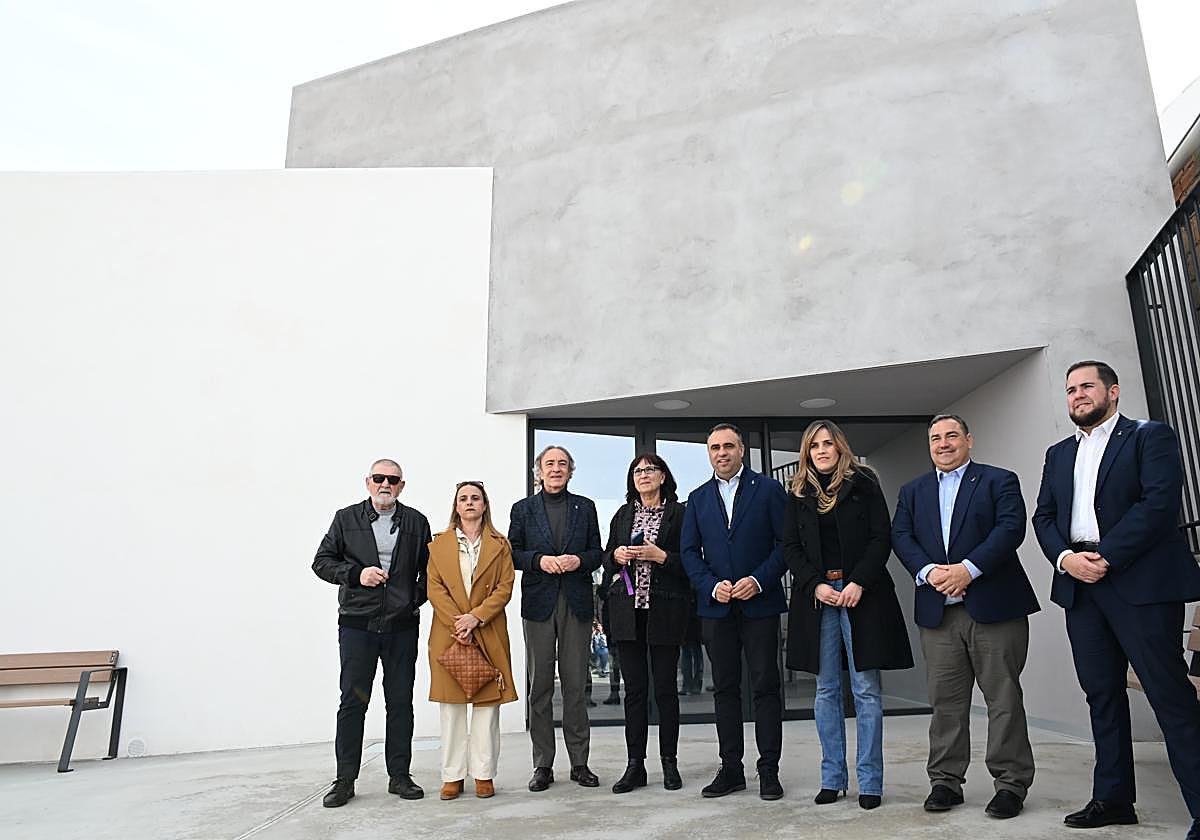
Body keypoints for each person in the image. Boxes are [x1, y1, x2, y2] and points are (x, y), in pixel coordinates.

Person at [1032, 361, 1200, 837]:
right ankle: (1113, 799)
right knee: (1101, 695)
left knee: (1171, 697)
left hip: (1139, 584)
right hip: (1080, 588)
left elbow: (1159, 503)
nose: (1078, 395)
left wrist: (1105, 556)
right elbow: (1043, 516)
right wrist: (1067, 559)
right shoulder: (1059, 453)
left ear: (1114, 391)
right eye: (1070, 390)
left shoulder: (1151, 437)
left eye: (1087, 386)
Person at [892, 415, 1040, 819]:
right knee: (946, 703)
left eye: (951, 435)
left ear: (969, 440)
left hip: (994, 608)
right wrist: (931, 573)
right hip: (939, 614)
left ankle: (1010, 784)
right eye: (935, 438)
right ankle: (945, 781)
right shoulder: (913, 491)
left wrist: (967, 570)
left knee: (1004, 699)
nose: (943, 444)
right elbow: (901, 537)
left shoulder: (999, 480)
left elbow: (1010, 529)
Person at [782, 420, 913, 810]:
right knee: (825, 691)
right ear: (807, 453)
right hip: (818, 598)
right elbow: (790, 547)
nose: (821, 450)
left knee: (866, 690)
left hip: (863, 595)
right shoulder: (797, 491)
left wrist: (858, 582)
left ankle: (870, 782)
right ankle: (832, 777)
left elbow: (881, 537)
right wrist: (814, 584)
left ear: (839, 447)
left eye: (827, 443)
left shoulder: (865, 482)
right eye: (814, 446)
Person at [312, 459, 430, 807]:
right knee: (353, 703)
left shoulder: (416, 522)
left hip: (401, 627)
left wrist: (412, 600)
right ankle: (344, 780)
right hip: (357, 626)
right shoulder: (346, 518)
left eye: (392, 480)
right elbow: (321, 562)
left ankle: (399, 776)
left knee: (400, 703)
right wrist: (356, 575)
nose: (385, 484)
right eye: (379, 478)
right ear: (368, 482)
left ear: (401, 486)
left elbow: (430, 572)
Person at [681, 423, 789, 801]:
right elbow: (689, 553)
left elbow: (785, 544)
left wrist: (758, 580)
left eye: (728, 446)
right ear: (709, 454)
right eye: (714, 448)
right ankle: (731, 770)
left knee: (765, 686)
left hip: (760, 603)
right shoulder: (697, 498)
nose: (722, 453)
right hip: (717, 607)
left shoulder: (770, 490)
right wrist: (711, 585)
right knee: (724, 689)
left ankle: (769, 770)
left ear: (742, 450)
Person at [509, 445, 603, 791]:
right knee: (540, 688)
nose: (556, 469)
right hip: (538, 604)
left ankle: (580, 763)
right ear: (540, 470)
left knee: (576, 686)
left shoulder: (586, 507)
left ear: (570, 471)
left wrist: (579, 561)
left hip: (576, 603)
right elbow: (512, 552)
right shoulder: (523, 509)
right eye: (550, 463)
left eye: (562, 464)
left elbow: (598, 552)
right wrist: (539, 560)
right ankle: (542, 765)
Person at [602, 453, 691, 794]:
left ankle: (670, 763)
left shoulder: (679, 514)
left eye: (650, 470)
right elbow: (606, 558)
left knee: (666, 690)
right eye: (638, 471)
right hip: (628, 613)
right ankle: (635, 765)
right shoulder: (623, 514)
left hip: (665, 611)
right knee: (635, 693)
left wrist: (662, 556)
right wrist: (616, 556)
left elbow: (693, 561)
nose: (644, 475)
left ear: (664, 476)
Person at [426, 481, 517, 800]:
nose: (469, 503)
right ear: (456, 505)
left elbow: (505, 587)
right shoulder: (438, 544)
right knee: (451, 708)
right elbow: (433, 588)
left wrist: (476, 617)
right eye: (463, 498)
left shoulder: (500, 544)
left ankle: (483, 773)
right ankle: (451, 775)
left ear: (484, 505)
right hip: (449, 633)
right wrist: (459, 620)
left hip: (487, 630)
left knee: (486, 707)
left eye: (475, 498)